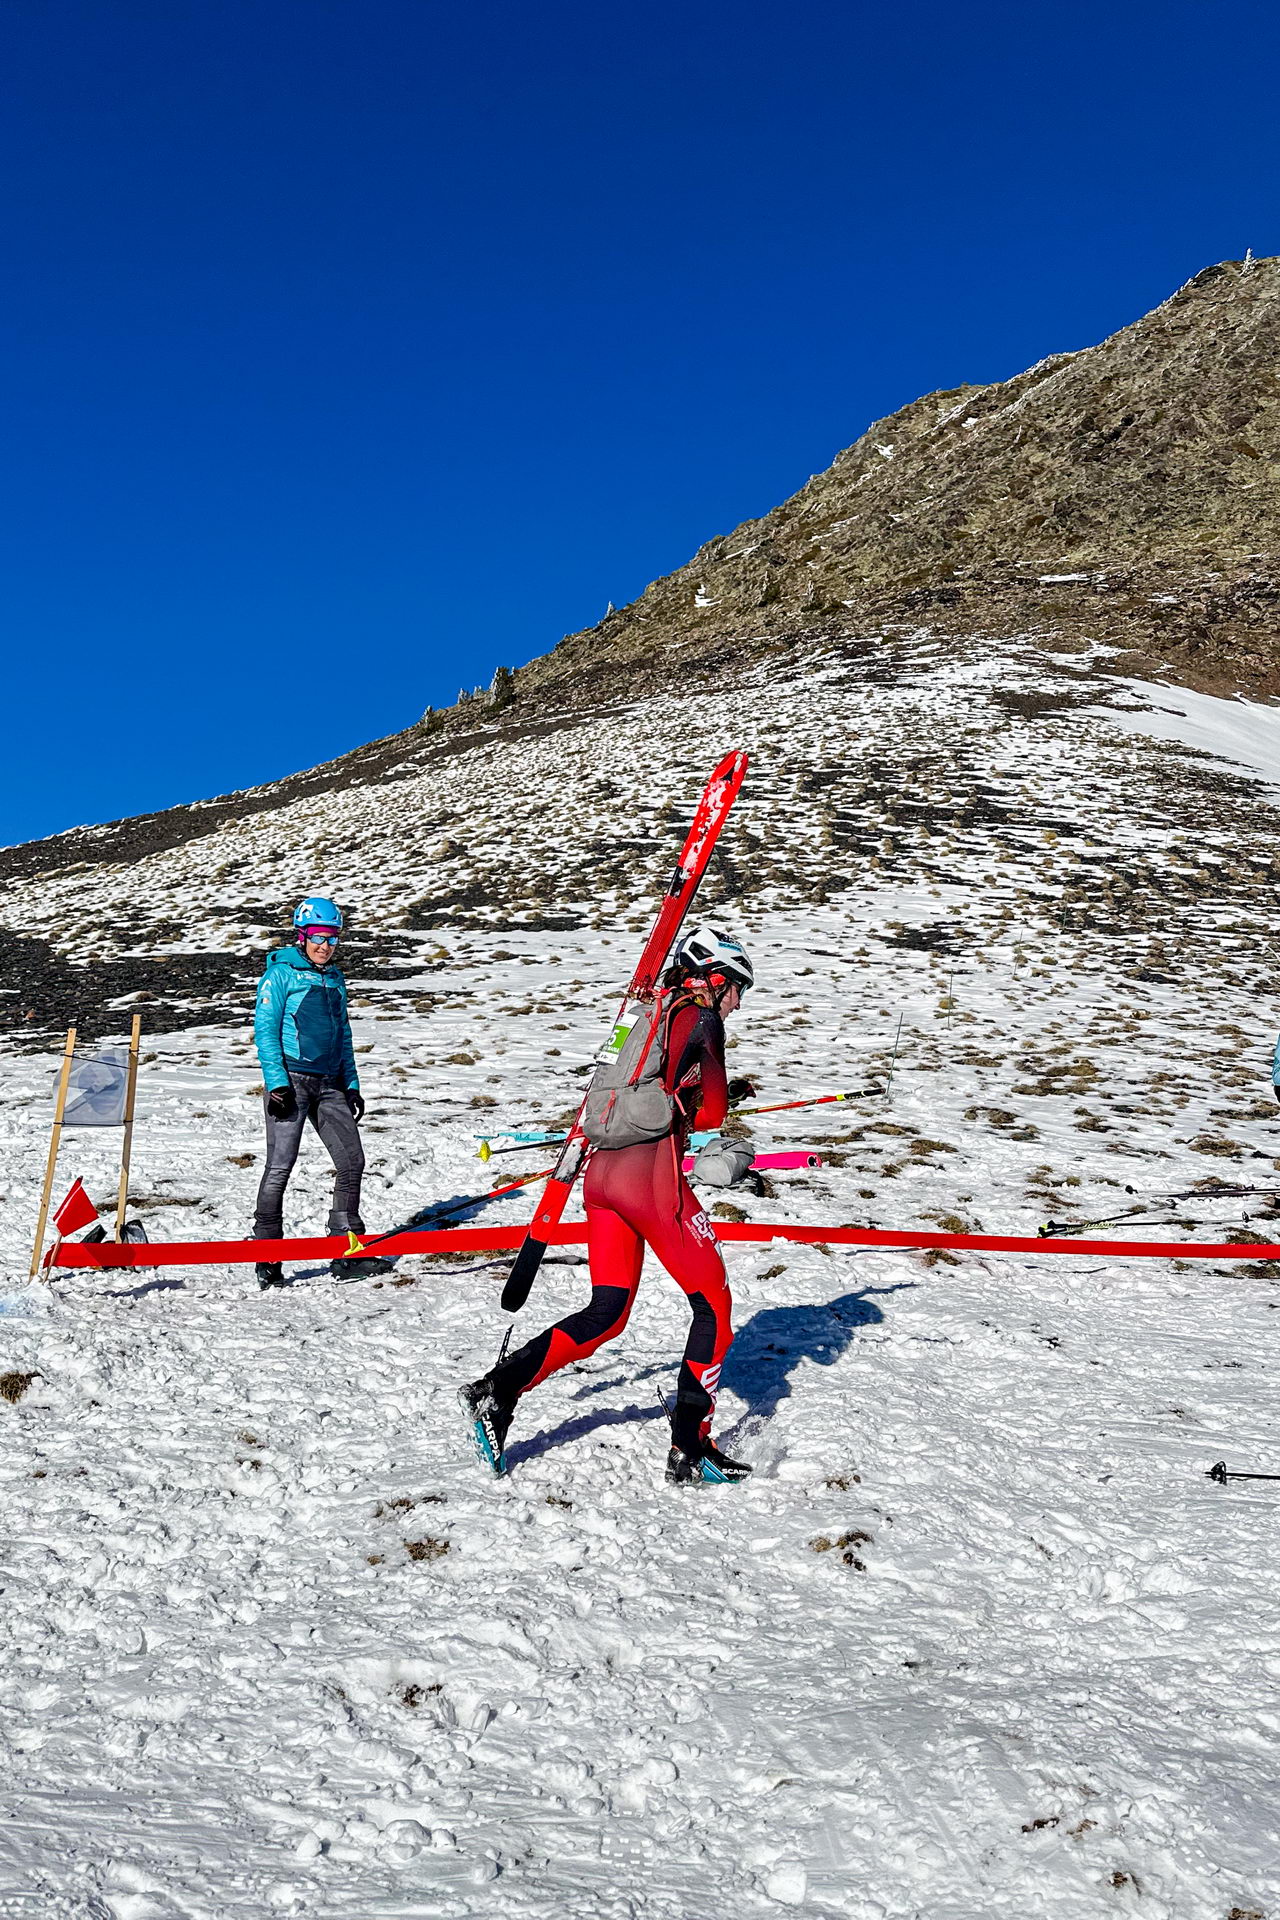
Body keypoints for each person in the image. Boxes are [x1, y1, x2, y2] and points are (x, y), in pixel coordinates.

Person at [462, 924, 754, 1484]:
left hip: (603, 1176)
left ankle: (496, 1391)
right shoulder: (700, 1015)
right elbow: (710, 1111)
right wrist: (717, 1106)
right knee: (713, 1305)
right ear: (713, 978)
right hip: (650, 1178)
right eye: (737, 986)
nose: (738, 1001)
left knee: (608, 1313)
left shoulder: (644, 1011)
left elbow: (643, 1083)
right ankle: (691, 1447)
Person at [251, 897, 365, 1289]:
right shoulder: (280, 976)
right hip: (292, 1083)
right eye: (318, 936)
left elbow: (344, 1035)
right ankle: (266, 1255)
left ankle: (346, 1249)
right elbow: (265, 1032)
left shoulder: (334, 978)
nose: (325, 945)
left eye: (332, 937)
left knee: (352, 1162)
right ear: (301, 937)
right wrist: (277, 1083)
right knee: (280, 1167)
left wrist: (351, 1084)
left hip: (330, 1084)